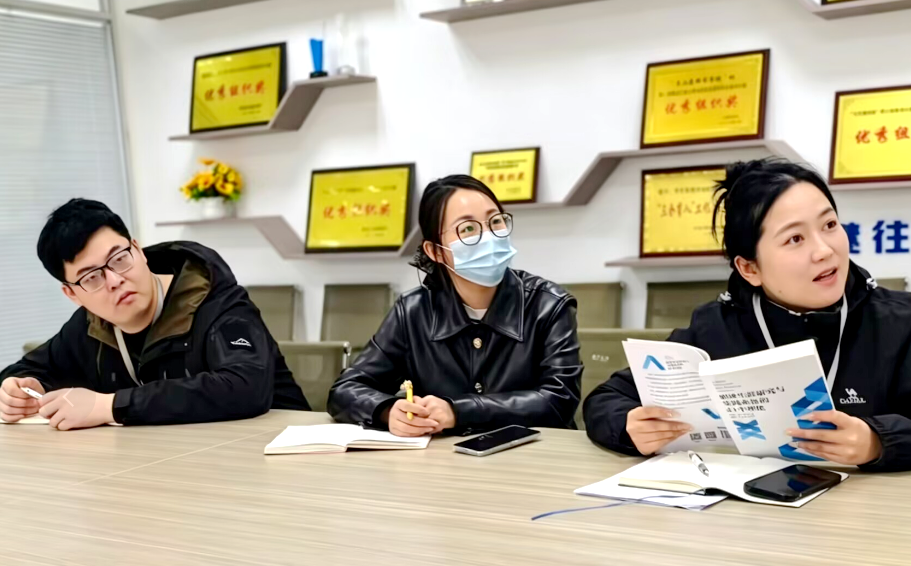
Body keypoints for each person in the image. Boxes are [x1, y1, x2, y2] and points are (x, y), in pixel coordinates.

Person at [584, 158, 911, 471]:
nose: (824, 250)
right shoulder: (716, 326)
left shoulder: (899, 319)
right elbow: (606, 399)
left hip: (874, 522)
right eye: (795, 239)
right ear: (749, 268)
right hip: (749, 519)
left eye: (830, 225)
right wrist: (629, 427)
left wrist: (879, 441)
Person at [0, 199, 310, 430]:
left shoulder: (215, 300)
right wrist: (18, 389)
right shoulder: (90, 324)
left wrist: (108, 406)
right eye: (92, 277)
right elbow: (27, 370)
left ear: (138, 249)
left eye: (119, 259)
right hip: (177, 463)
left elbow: (246, 386)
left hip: (280, 450)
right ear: (73, 294)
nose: (114, 280)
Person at [327, 175, 582, 437]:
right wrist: (388, 410)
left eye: (496, 221)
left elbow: (559, 401)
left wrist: (457, 411)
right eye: (468, 229)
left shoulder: (549, 305)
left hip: (534, 454)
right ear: (435, 251)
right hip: (441, 457)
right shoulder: (413, 312)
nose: (489, 236)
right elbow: (345, 390)